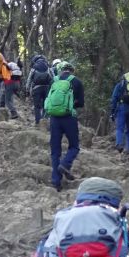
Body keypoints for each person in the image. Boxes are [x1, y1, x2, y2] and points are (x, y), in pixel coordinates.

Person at [44, 61, 84, 191]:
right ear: (71, 70)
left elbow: (48, 99)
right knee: (74, 146)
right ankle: (65, 164)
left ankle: (56, 182)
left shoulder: (54, 81)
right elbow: (80, 103)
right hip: (69, 118)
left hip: (54, 118)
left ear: (60, 70)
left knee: (55, 150)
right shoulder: (76, 82)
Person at [26, 54, 54, 125]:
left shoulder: (34, 67)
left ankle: (37, 122)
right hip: (46, 88)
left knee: (36, 106)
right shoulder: (48, 67)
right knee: (46, 104)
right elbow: (53, 77)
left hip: (36, 88)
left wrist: (27, 89)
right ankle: (44, 120)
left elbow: (29, 79)